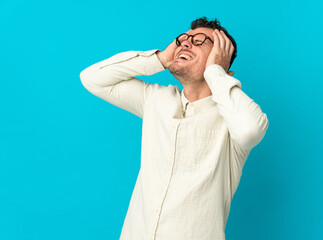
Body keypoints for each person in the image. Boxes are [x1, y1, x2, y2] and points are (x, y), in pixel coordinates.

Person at [80, 16, 269, 240]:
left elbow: (250, 131)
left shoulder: (232, 119)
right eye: (183, 40)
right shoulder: (155, 99)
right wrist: (160, 59)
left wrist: (215, 73)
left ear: (221, 66)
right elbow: (92, 78)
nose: (186, 43)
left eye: (201, 41)